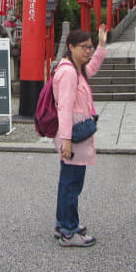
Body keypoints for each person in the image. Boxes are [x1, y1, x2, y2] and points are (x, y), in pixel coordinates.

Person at [52, 24, 108, 247]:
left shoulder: (76, 69)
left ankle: (62, 223)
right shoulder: (67, 73)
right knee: (72, 184)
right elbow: (64, 108)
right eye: (84, 47)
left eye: (90, 47)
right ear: (70, 46)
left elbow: (92, 68)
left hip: (74, 134)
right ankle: (69, 231)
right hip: (71, 137)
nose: (88, 51)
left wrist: (102, 46)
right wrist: (66, 140)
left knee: (68, 181)